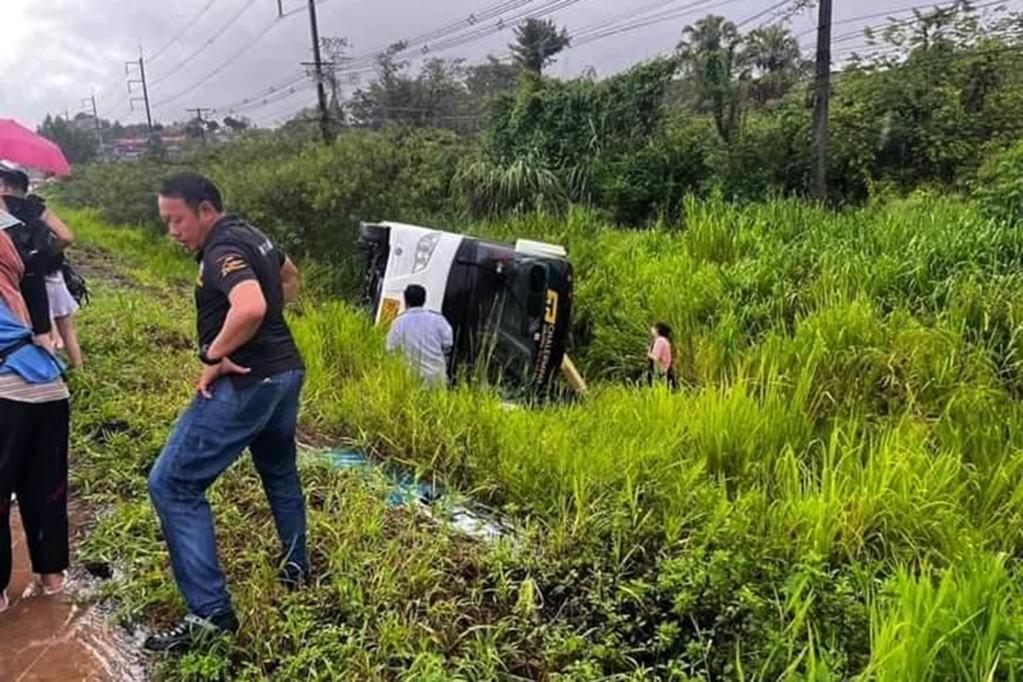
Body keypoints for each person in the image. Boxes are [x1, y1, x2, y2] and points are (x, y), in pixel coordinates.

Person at [144, 173, 307, 652]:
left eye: (176, 219)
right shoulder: (252, 236)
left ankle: (211, 615)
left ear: (206, 211)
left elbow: (251, 305)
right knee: (278, 469)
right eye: (166, 221)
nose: (172, 231)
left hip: (250, 381)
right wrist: (268, 327)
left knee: (172, 484)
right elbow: (288, 276)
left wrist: (214, 355)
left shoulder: (220, 251)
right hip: (286, 372)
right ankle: (297, 567)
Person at [0, 202, 71, 615]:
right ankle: (53, 587)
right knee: (46, 491)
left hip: (8, 394)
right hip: (51, 390)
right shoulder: (17, 280)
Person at [0, 166, 80, 368]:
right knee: (42, 329)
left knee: (12, 328)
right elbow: (66, 236)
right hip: (34, 273)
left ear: (4, 185)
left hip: (7, 276)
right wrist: (45, 255)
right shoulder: (35, 207)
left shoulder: (2, 208)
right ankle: (53, 375)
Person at [386, 284, 454, 388]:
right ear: (424, 300)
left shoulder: (398, 322)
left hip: (412, 377)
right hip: (436, 377)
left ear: (405, 301)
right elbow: (448, 344)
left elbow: (390, 349)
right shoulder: (438, 319)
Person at [647, 322, 678, 390]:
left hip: (660, 371)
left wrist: (649, 354)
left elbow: (656, 357)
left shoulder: (660, 340)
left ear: (658, 330)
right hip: (666, 369)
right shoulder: (665, 340)